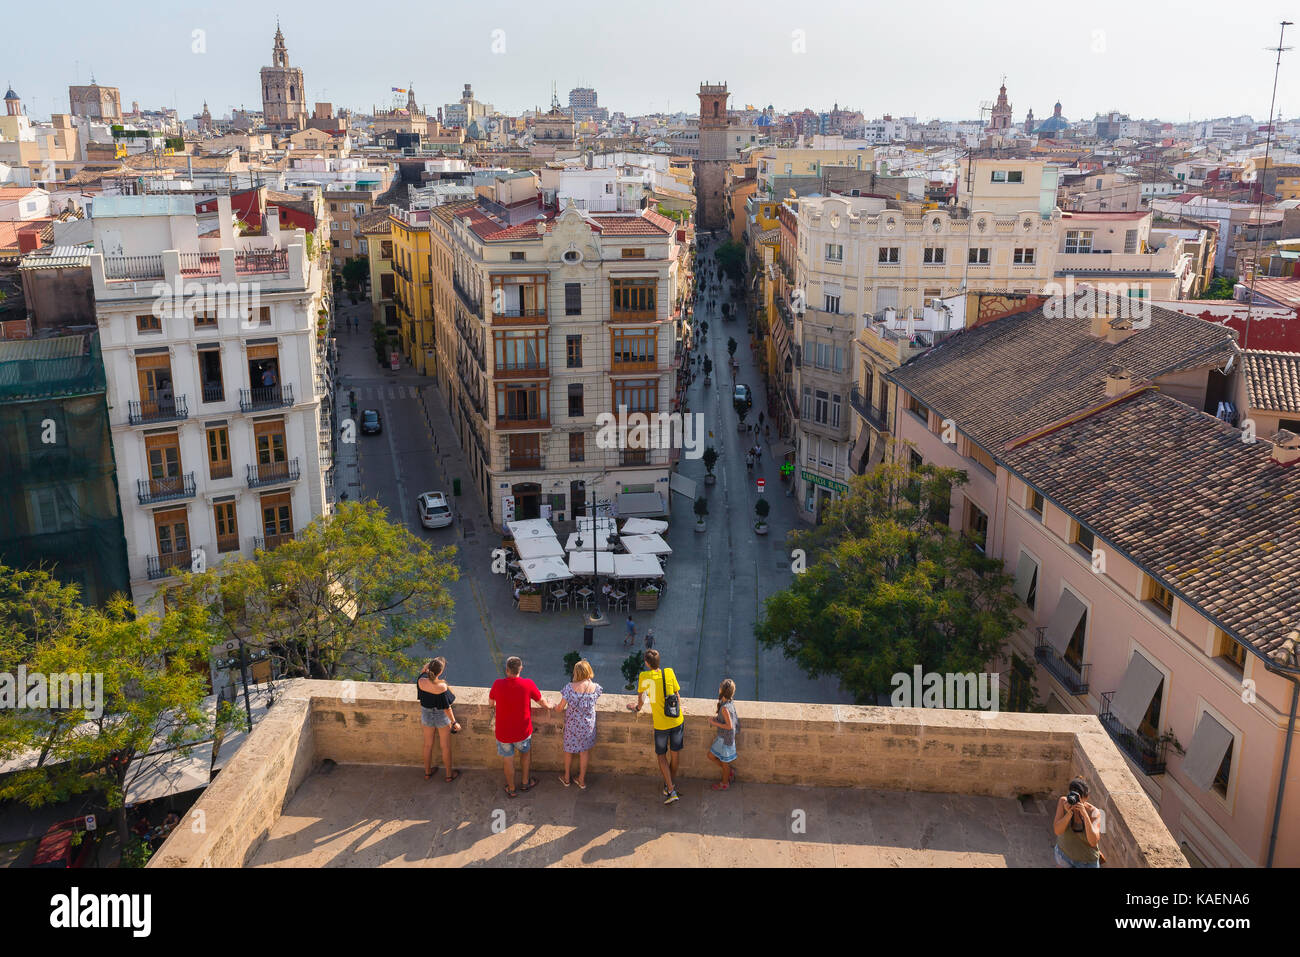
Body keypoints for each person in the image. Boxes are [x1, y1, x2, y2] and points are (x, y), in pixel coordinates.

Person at [627, 649, 685, 804]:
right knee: (675, 755)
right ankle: (669, 784)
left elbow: (641, 699)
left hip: (661, 724)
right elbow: (677, 695)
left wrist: (637, 708)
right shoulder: (669, 672)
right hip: (677, 720)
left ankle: (671, 790)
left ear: (646, 663)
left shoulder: (644, 677)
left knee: (661, 756)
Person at [489, 656, 550, 797]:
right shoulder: (528, 684)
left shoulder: (497, 684)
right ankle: (525, 782)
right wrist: (550, 705)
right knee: (525, 754)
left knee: (507, 760)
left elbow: (491, 704)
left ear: (507, 670)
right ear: (520, 669)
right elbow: (542, 703)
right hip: (522, 731)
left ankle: (511, 789)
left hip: (503, 731)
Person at [556, 659, 603, 789]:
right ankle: (581, 780)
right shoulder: (596, 688)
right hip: (587, 726)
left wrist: (553, 706)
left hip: (572, 725)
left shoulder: (569, 688)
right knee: (584, 752)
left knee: (568, 751)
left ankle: (566, 778)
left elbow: (560, 707)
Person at [417, 657, 461, 782]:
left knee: (427, 745)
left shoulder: (421, 681)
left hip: (426, 714)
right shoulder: (442, 686)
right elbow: (447, 708)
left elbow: (423, 671)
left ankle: (427, 773)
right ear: (440, 672)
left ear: (428, 668)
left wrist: (429, 664)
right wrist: (454, 722)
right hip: (441, 717)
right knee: (445, 747)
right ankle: (448, 775)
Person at [1053, 777, 1103, 867]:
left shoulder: (1094, 813)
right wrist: (1069, 813)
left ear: (1087, 797)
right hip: (1063, 856)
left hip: (1086, 862)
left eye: (1079, 798)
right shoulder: (1063, 802)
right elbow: (1057, 831)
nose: (1075, 800)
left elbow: (1093, 841)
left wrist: (1085, 814)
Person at [705, 679, 739, 790]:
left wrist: (714, 722)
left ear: (722, 690)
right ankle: (729, 771)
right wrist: (717, 719)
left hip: (725, 740)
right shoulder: (728, 702)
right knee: (711, 756)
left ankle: (724, 783)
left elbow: (729, 726)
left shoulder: (725, 708)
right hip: (724, 738)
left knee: (723, 762)